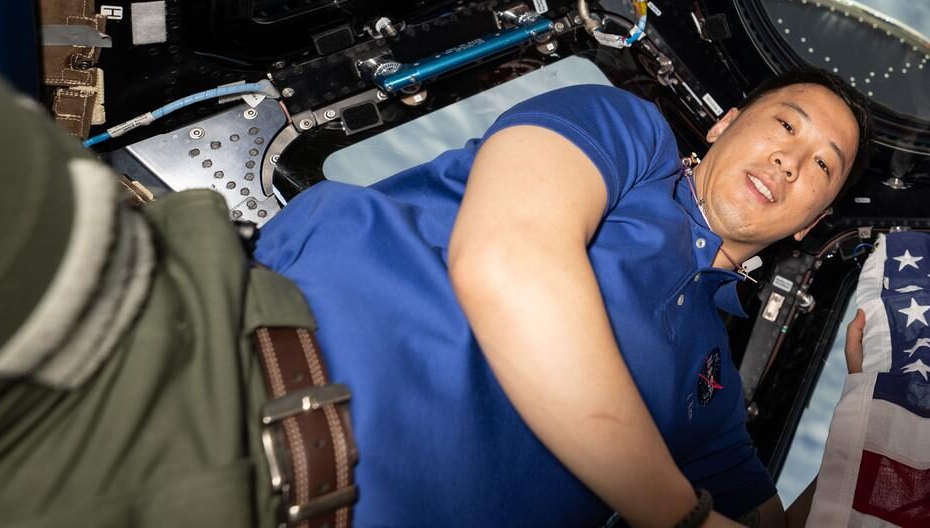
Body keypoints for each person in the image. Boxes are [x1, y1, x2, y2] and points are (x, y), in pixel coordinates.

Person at [251, 67, 871, 528]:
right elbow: (508, 257)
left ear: (808, 226)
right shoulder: (630, 135)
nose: (792, 160)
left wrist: (871, 399)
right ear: (725, 124)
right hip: (255, 403)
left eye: (822, 167)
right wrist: (677, 514)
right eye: (787, 125)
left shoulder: (713, 397)